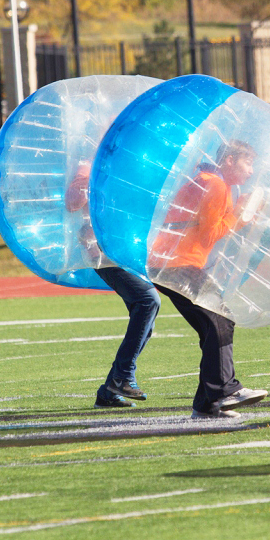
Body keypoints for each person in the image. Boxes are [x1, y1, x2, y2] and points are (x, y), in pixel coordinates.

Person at [148, 140, 267, 419]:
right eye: (247, 162)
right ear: (229, 161)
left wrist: (235, 212)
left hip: (169, 263)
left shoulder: (206, 179)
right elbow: (209, 235)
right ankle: (225, 390)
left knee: (215, 324)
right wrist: (240, 215)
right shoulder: (215, 184)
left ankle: (207, 405)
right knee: (219, 320)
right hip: (177, 264)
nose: (251, 171)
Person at [65, 164, 161, 409]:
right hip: (103, 253)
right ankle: (122, 377)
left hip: (125, 252)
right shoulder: (89, 166)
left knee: (145, 318)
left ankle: (109, 391)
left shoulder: (121, 163)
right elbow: (72, 203)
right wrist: (91, 186)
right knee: (148, 301)